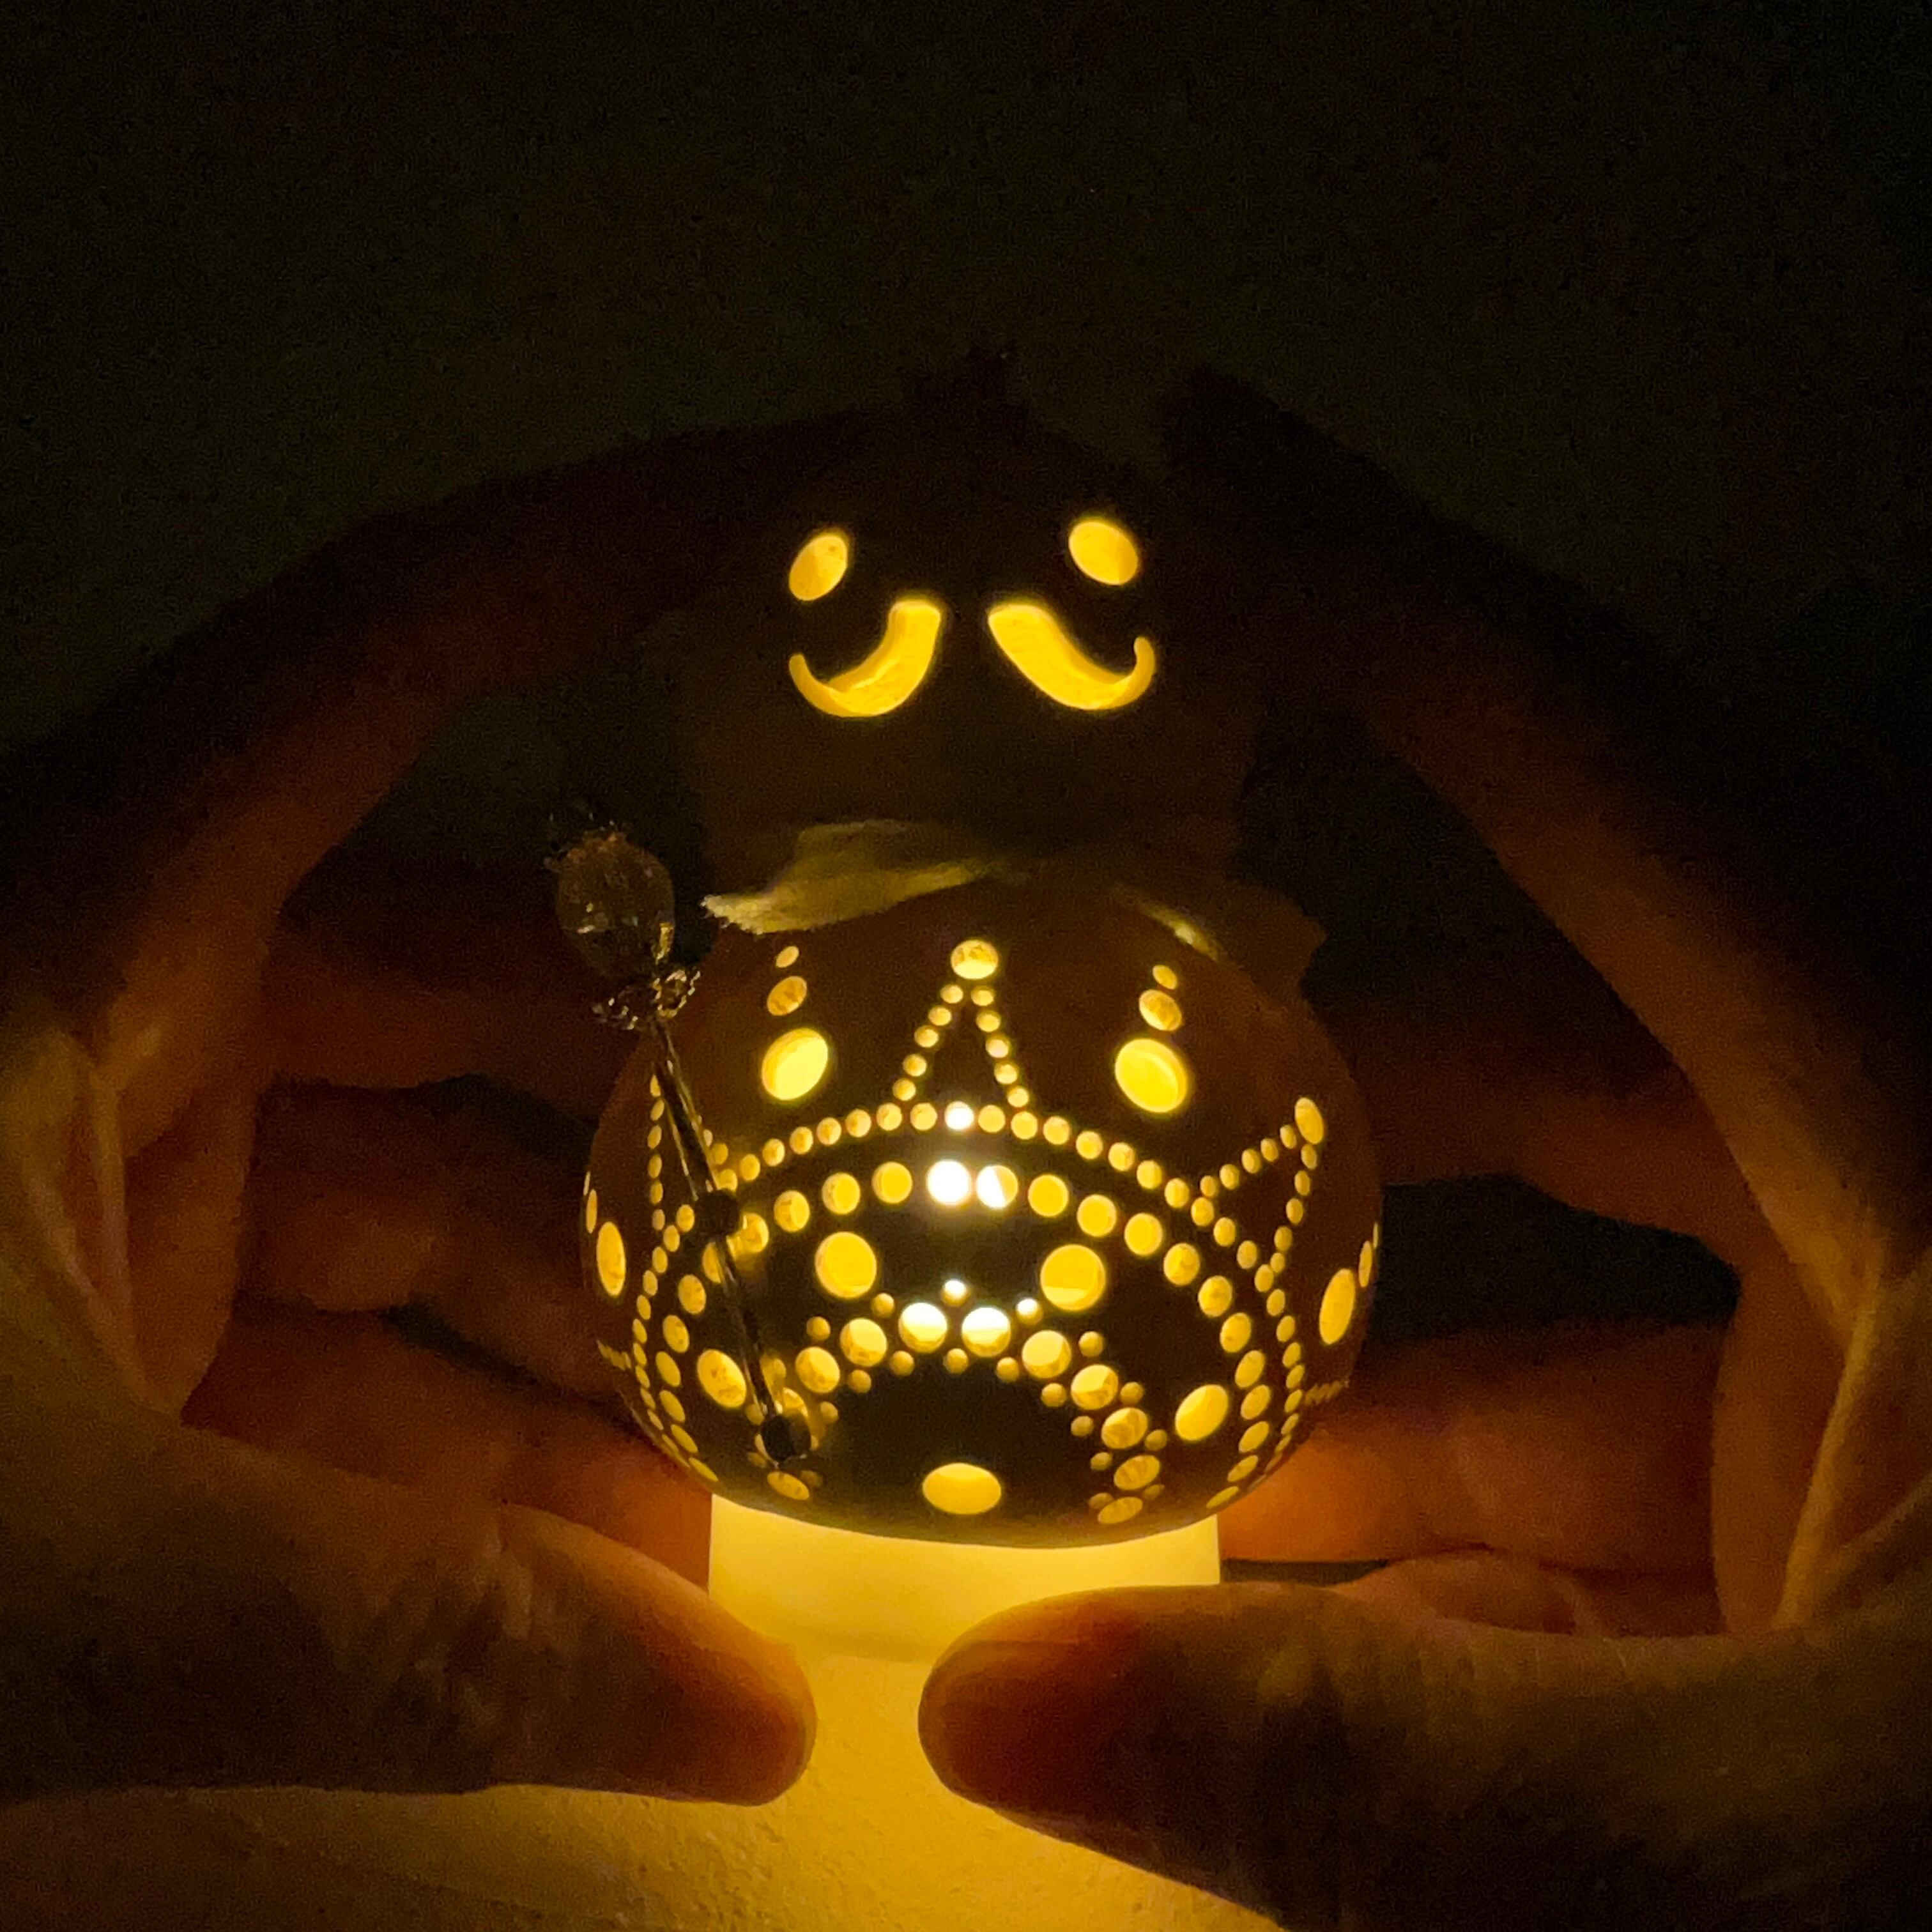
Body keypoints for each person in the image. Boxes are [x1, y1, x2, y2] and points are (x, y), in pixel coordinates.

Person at [0, 379, 1924, 1926]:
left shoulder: (1216, 1023)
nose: (966, 634)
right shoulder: (746, 1009)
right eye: (856, 595)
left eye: (1081, 584)